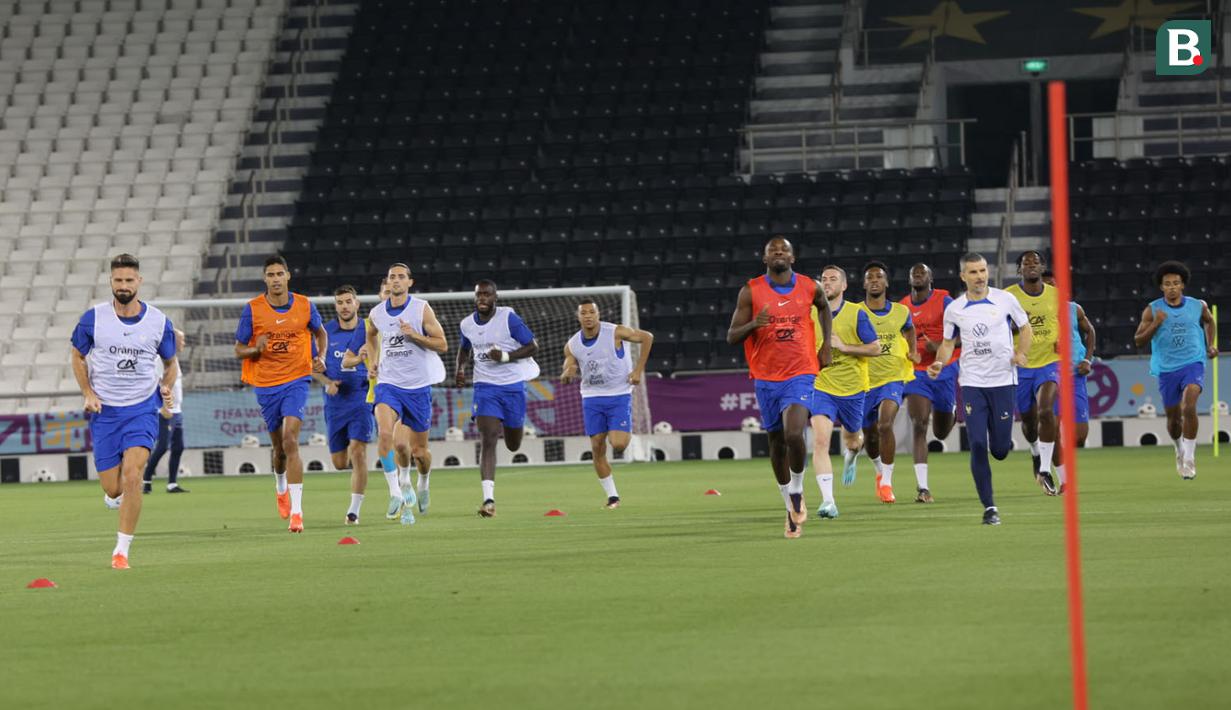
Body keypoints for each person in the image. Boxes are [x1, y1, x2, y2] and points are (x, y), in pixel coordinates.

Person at [70, 253, 178, 569]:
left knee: (133, 476)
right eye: (118, 280)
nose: (123, 285)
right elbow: (77, 355)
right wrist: (87, 392)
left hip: (142, 409)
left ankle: (121, 550)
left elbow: (171, 363)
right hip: (105, 413)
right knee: (113, 487)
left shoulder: (158, 321)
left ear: (139, 281)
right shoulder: (93, 318)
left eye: (129, 280)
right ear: (111, 281)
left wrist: (166, 386)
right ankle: (113, 495)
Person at [726, 237, 831, 539]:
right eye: (773, 251)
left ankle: (797, 489)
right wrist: (753, 325)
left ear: (793, 257)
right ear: (765, 258)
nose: (779, 254)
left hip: (801, 372)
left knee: (793, 433)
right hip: (766, 377)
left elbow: (824, 307)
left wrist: (825, 345)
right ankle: (789, 506)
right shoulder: (751, 290)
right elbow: (732, 336)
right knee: (775, 442)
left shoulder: (810, 286)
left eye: (784, 250)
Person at [929, 253, 1032, 525]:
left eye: (983, 270)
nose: (980, 276)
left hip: (1003, 381)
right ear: (963, 276)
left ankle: (999, 453)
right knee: (976, 443)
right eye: (973, 272)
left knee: (999, 449)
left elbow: (1025, 328)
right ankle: (989, 507)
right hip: (972, 383)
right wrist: (939, 362)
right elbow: (948, 343)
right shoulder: (955, 309)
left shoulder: (1005, 299)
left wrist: (1021, 353)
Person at [347, 263, 448, 523]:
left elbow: (442, 344)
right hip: (388, 385)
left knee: (418, 451)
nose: (396, 280)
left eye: (401, 277)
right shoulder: (377, 313)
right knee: (385, 435)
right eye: (392, 276)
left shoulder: (421, 308)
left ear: (409, 282)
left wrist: (414, 336)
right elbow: (370, 335)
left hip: (417, 388)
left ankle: (423, 481)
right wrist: (373, 361)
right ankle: (396, 491)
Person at [234, 256, 327, 533]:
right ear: (265, 279)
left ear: (288, 276)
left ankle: (297, 512)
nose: (275, 279)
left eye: (279, 274)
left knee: (290, 440)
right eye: (270, 274)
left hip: (297, 378)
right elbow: (238, 349)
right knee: (279, 449)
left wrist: (321, 356)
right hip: (266, 383)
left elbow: (320, 333)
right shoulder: (253, 309)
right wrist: (256, 350)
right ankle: (280, 486)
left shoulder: (305, 305)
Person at [455, 280, 540, 517]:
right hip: (485, 387)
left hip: (512, 387)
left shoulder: (508, 318)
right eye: (478, 295)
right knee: (489, 437)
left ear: (495, 297)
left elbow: (533, 346)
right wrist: (460, 368)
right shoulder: (467, 324)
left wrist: (504, 356)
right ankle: (488, 500)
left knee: (513, 444)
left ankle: (514, 429)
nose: (482, 298)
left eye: (487, 294)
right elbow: (464, 348)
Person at [562, 300, 654, 509]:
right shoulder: (573, 344)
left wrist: (638, 370)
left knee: (619, 444)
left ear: (598, 314)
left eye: (591, 312)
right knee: (597, 447)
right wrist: (567, 372)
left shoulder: (615, 332)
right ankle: (613, 497)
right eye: (583, 313)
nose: (588, 316)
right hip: (591, 397)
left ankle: (623, 428)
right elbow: (568, 364)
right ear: (578, 317)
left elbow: (647, 337)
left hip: (619, 394)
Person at [1133, 260, 1218, 480]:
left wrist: (1209, 345)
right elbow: (1138, 341)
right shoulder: (1152, 310)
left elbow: (1209, 322)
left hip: (1193, 362)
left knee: (1189, 405)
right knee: (1173, 420)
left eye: (1176, 283)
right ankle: (1179, 448)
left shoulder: (1197, 305)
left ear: (1183, 285)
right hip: (1167, 368)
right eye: (1167, 284)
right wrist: (1156, 324)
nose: (1172, 287)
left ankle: (1189, 458)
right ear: (1161, 286)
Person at [809, 265, 878, 520]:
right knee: (820, 441)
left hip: (852, 388)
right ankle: (828, 501)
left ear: (844, 285)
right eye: (824, 279)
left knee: (853, 440)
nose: (827, 283)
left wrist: (845, 347)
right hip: (821, 386)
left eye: (833, 279)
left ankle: (852, 454)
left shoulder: (856, 313)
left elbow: (875, 348)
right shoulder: (810, 312)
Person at [859, 261, 919, 504]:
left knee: (885, 424)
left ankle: (887, 482)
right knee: (870, 435)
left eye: (879, 276)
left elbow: (910, 330)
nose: (874, 280)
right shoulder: (856, 312)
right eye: (870, 277)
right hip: (864, 380)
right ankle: (878, 471)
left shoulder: (901, 311)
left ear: (886, 282)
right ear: (864, 284)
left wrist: (913, 351)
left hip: (893, 377)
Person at [899, 263, 958, 503]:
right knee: (919, 424)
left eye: (922, 272)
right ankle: (923, 488)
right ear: (909, 279)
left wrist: (940, 346)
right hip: (916, 373)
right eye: (914, 273)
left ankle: (951, 412)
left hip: (943, 369)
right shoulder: (903, 307)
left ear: (931, 277)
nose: (918, 275)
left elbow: (964, 333)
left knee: (941, 432)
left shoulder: (945, 301)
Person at [314, 286, 373, 524]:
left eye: (349, 301)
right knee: (340, 463)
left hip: (362, 399)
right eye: (340, 302)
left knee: (358, 452)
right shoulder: (325, 332)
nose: (345, 306)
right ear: (335, 306)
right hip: (335, 404)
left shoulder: (369, 329)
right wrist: (327, 382)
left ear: (357, 304)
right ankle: (358, 467)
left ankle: (353, 511)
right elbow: (310, 365)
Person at [1005, 250, 1061, 495]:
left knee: (1046, 410)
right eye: (1026, 263)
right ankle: (1036, 452)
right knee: (1029, 421)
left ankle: (1046, 469)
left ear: (1042, 267)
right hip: (1021, 366)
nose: (1031, 266)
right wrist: (1017, 326)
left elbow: (1064, 323)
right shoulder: (1008, 297)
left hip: (1049, 363)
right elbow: (998, 329)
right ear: (1019, 270)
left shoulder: (1056, 295)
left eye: (1035, 262)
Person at [1042, 269, 1097, 492]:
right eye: (1046, 285)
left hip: (1075, 376)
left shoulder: (1074, 309)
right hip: (1050, 375)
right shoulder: (1032, 314)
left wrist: (1087, 359)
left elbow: (1090, 331)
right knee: (1052, 429)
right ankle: (1064, 479)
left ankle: (1048, 451)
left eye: (1053, 285)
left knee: (1080, 436)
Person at [143, 328, 188, 494]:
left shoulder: (173, 359)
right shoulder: (160, 360)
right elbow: (155, 384)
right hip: (165, 411)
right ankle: (146, 479)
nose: (183, 343)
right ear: (173, 340)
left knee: (179, 447)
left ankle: (172, 484)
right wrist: (162, 407)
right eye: (181, 340)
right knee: (162, 446)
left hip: (177, 411)